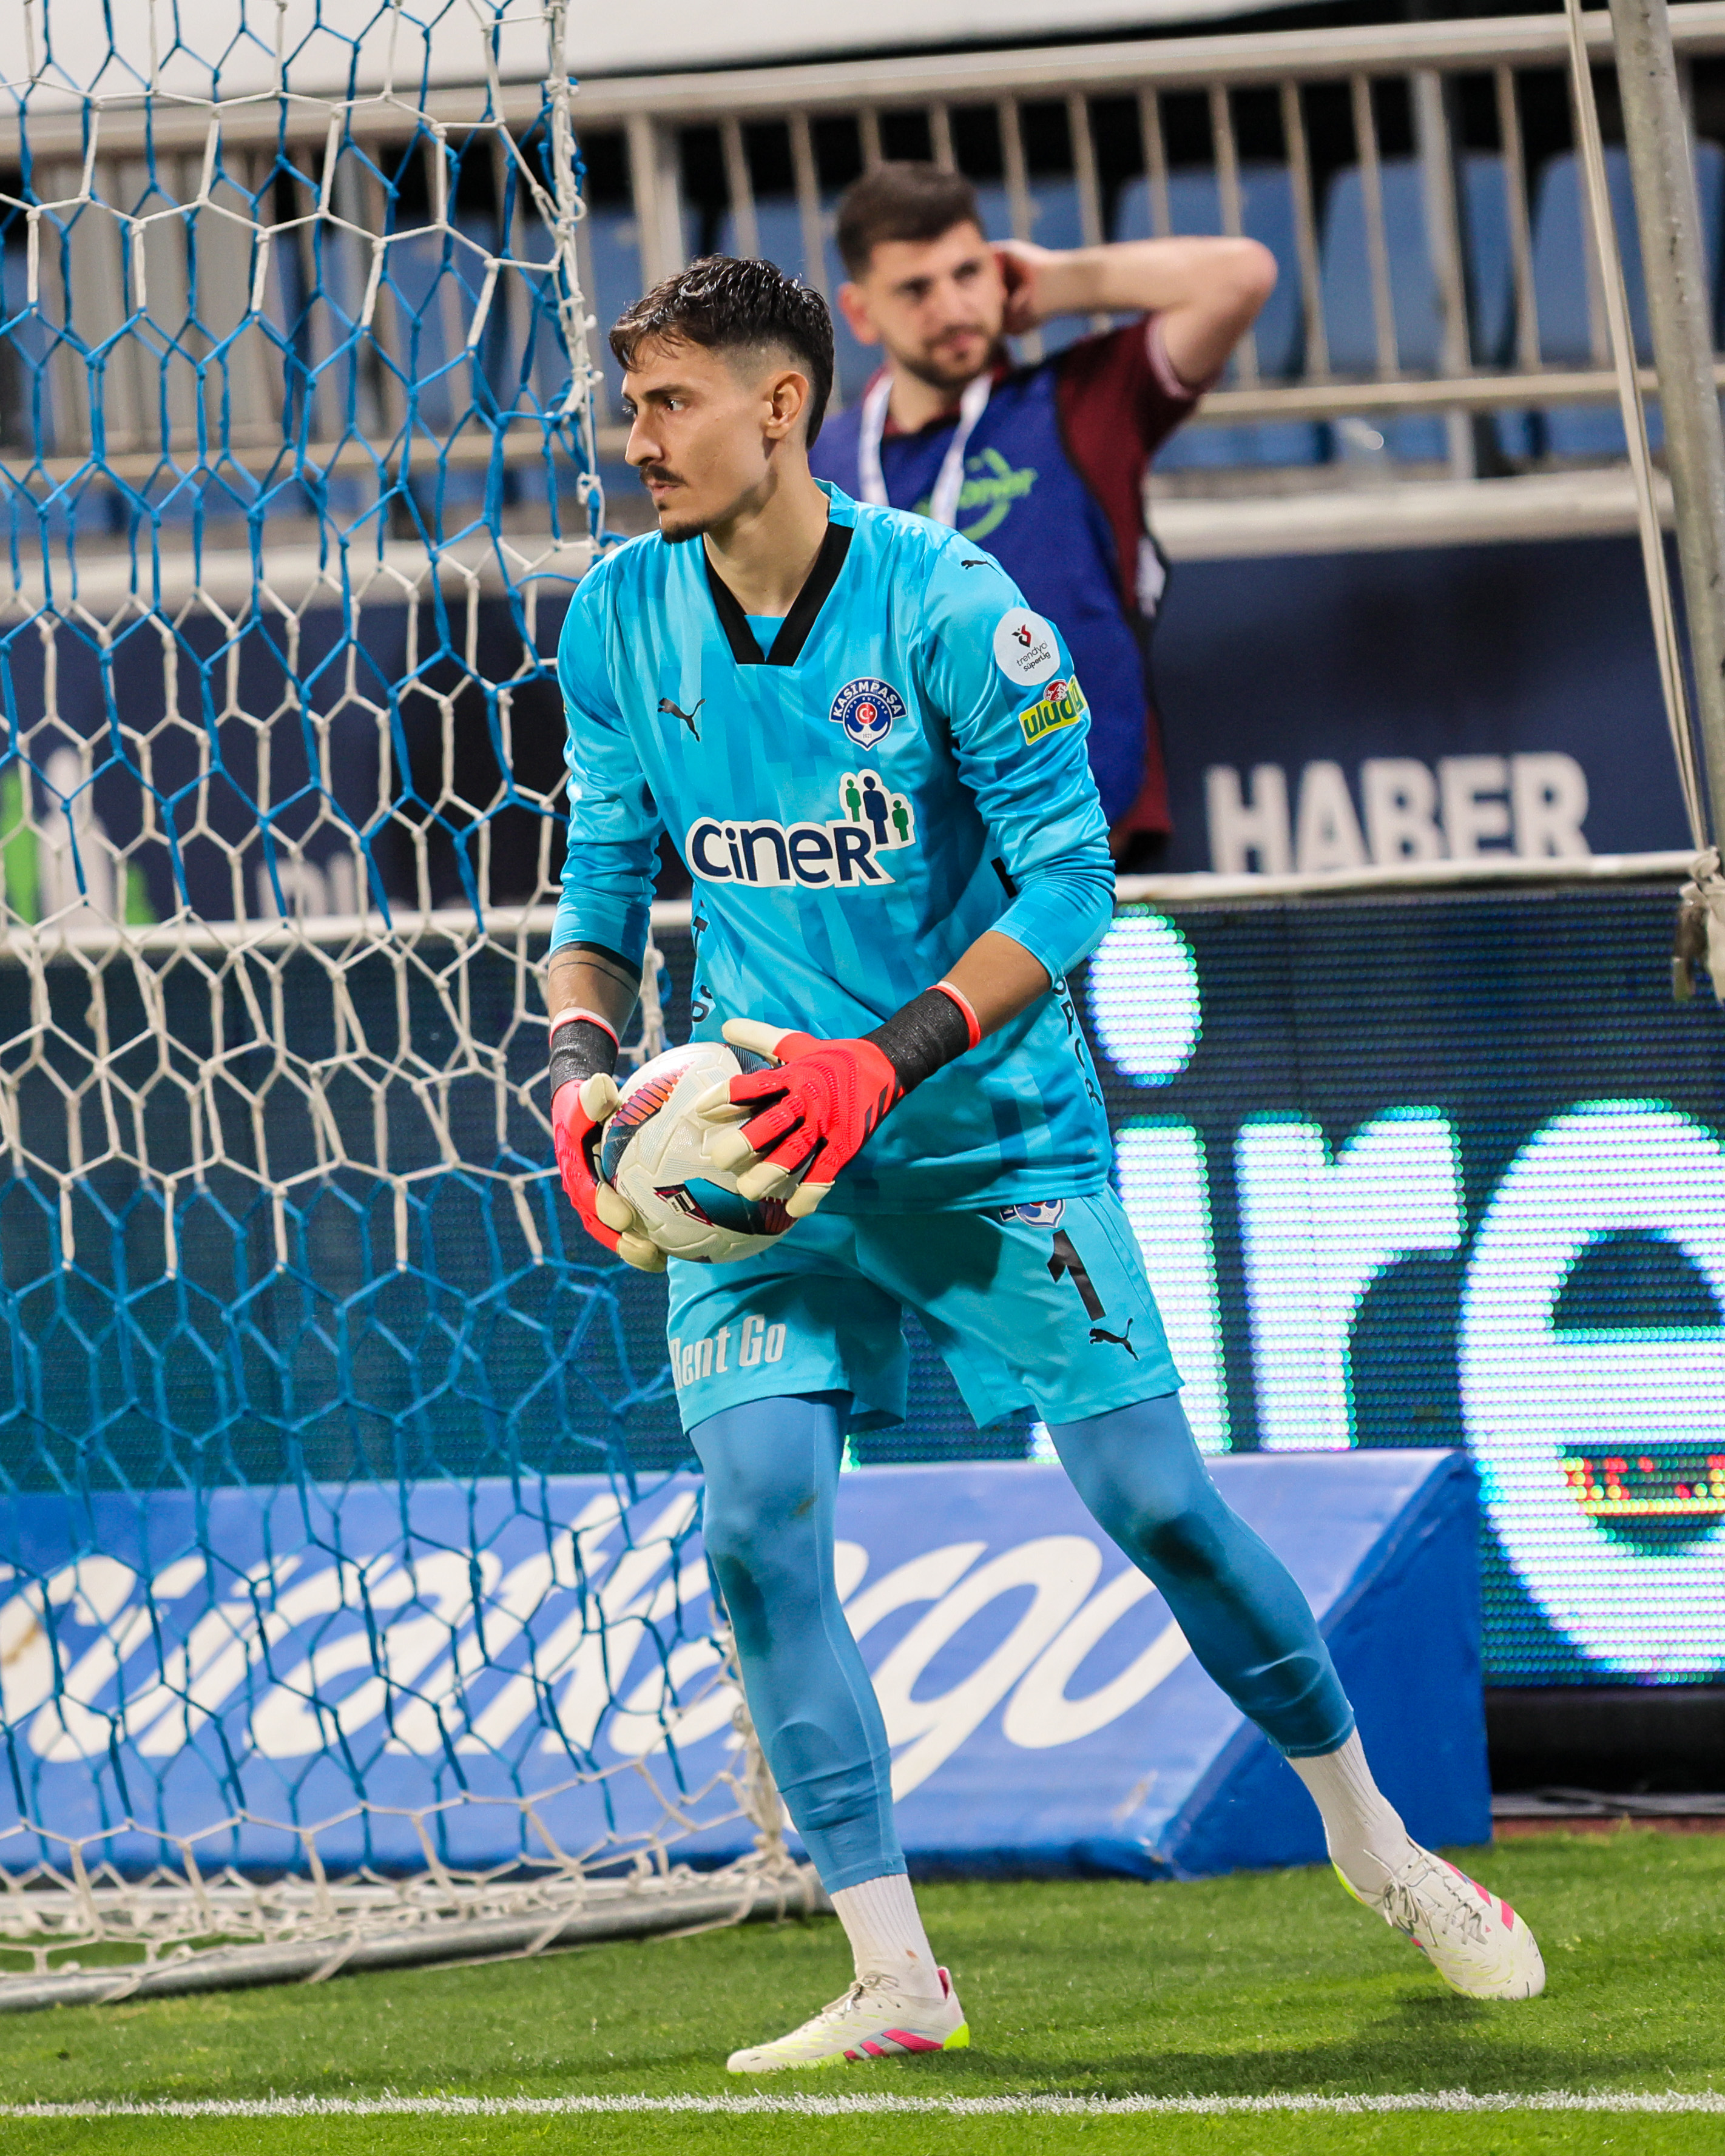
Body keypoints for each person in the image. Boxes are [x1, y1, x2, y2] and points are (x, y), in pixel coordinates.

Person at [544, 254, 1544, 2075]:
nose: (637, 439)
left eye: (669, 400)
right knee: (752, 1522)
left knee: (1156, 1502)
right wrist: (577, 1067)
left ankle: (1374, 1843)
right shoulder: (615, 618)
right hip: (764, 1156)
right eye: (633, 404)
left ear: (781, 405)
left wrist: (885, 1057)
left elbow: (1071, 882)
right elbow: (598, 888)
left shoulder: (948, 605)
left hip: (984, 1135)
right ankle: (893, 1969)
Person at [809, 161, 1275, 863]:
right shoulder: (820, 467)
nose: (952, 308)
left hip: (1081, 841)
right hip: (900, 860)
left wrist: (1058, 283)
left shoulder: (1084, 402)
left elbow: (1241, 275)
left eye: (968, 273)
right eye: (915, 289)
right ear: (859, 313)